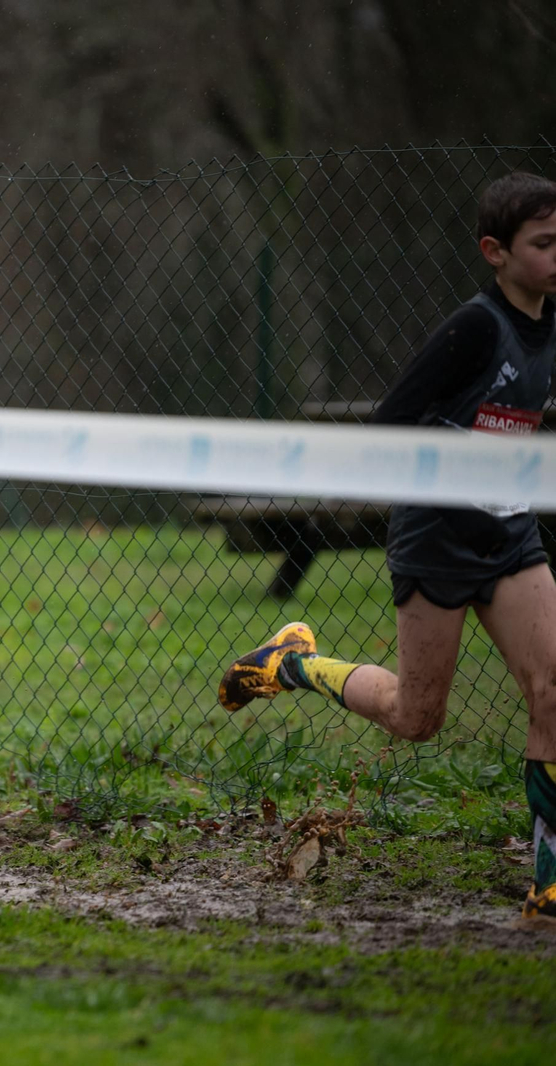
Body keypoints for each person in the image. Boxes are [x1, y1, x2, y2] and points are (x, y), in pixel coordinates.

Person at [218, 171, 556, 922]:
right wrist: (460, 457)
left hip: (509, 536)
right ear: (495, 253)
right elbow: (393, 422)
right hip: (437, 537)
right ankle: (292, 663)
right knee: (416, 717)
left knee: (552, 690)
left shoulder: (551, 325)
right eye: (544, 244)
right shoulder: (475, 329)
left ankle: (550, 879)